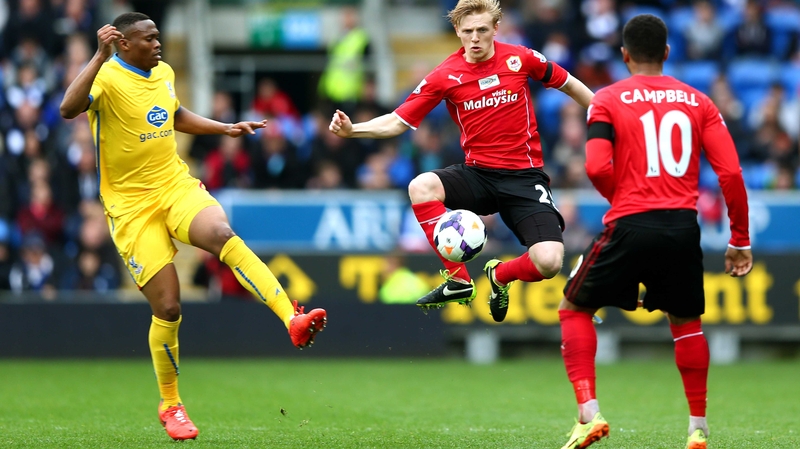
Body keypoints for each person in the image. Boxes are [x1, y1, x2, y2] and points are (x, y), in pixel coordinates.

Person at [59, 12, 327, 442]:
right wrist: (97, 55)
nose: (158, 44)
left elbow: (173, 113)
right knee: (168, 308)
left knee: (222, 235)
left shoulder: (163, 71)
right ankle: (170, 404)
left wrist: (223, 128)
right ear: (124, 44)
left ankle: (291, 319)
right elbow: (68, 108)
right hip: (130, 208)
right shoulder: (106, 78)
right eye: (148, 39)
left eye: (158, 36)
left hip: (174, 186)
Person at [557, 14, 753, 449]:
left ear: (624, 54)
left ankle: (589, 413)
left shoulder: (605, 99)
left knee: (573, 308)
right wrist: (739, 239)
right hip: (682, 227)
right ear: (666, 53)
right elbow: (732, 173)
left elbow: (594, 165)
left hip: (629, 220)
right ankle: (697, 428)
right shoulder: (699, 101)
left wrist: (622, 199)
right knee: (686, 324)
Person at [328, 0, 593, 318]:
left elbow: (569, 84)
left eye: (483, 30)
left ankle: (500, 276)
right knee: (421, 186)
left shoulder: (520, 58)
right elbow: (399, 121)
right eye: (468, 31)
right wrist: (353, 130)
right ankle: (458, 280)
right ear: (457, 31)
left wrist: (607, 115)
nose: (475, 38)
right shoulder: (445, 75)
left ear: (496, 28)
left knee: (549, 262)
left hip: (524, 177)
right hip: (478, 175)